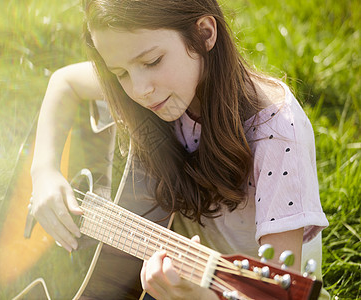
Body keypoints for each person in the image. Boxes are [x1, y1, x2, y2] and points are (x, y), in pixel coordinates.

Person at [29, 0, 329, 299]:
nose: (139, 90)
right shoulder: (155, 89)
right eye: (120, 73)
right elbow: (64, 82)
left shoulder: (277, 131)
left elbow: (276, 290)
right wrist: (44, 173)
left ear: (204, 34)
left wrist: (200, 296)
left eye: (152, 62)